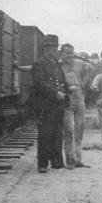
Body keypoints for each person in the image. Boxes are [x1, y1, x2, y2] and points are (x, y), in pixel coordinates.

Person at [31, 34, 70, 172]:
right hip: (45, 105)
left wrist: (67, 90)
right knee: (45, 134)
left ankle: (57, 162)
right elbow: (39, 83)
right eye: (52, 48)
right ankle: (42, 165)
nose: (54, 50)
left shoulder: (56, 63)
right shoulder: (39, 64)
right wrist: (55, 93)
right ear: (46, 49)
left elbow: (62, 81)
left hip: (58, 105)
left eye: (55, 48)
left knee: (57, 134)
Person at [60, 43, 93, 169]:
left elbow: (91, 68)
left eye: (71, 53)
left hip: (79, 99)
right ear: (61, 52)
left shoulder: (79, 63)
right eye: (67, 53)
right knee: (68, 130)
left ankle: (78, 159)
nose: (69, 55)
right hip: (66, 100)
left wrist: (84, 82)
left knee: (79, 130)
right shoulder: (58, 65)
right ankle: (69, 160)